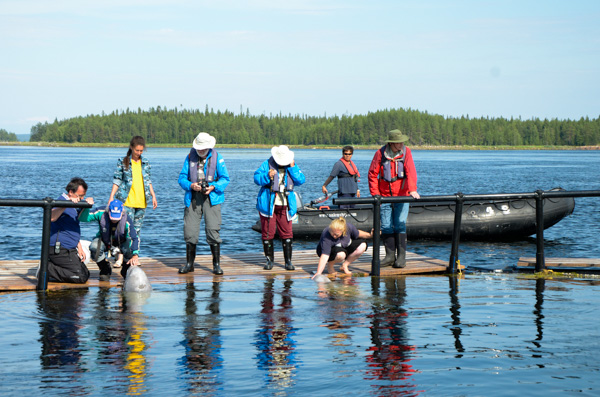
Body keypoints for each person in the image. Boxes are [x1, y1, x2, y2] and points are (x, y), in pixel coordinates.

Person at [178, 132, 230, 275]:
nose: (200, 151)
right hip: (193, 198)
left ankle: (216, 265)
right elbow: (181, 178)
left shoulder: (217, 158)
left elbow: (225, 179)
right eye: (199, 148)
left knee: (213, 230)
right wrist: (191, 185)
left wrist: (213, 187)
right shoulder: (189, 157)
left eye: (203, 148)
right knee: (190, 231)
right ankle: (189, 264)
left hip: (212, 197)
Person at [368, 129, 420, 268]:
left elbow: (411, 171)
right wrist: (375, 194)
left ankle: (401, 257)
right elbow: (372, 174)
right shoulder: (380, 153)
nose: (401, 144)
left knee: (400, 224)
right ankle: (390, 256)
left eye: (402, 141)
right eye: (398, 142)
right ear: (391, 143)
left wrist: (412, 189)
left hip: (402, 195)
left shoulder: (406, 152)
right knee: (385, 226)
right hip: (384, 196)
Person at [108, 136, 157, 268]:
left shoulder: (145, 163)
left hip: (142, 201)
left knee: (137, 231)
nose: (139, 153)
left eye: (141, 151)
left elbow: (148, 181)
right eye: (137, 150)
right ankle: (120, 257)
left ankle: (135, 256)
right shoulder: (123, 162)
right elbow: (117, 180)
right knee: (124, 230)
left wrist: (153, 195)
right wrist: (111, 197)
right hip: (126, 201)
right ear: (131, 147)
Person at [254, 145, 306, 271]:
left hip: (286, 204)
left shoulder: (292, 165)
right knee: (268, 232)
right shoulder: (266, 164)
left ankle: (288, 261)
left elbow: (301, 180)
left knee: (287, 233)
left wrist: (293, 168)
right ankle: (269, 260)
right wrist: (267, 175)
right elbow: (256, 179)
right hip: (269, 204)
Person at [47, 177, 95, 283]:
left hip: (70, 248)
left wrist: (80, 248)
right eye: (80, 196)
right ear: (70, 192)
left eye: (83, 196)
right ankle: (46, 269)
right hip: (59, 249)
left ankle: (52, 268)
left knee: (85, 273)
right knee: (80, 277)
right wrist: (66, 204)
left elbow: (72, 227)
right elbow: (51, 217)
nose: (82, 198)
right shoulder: (61, 201)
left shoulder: (75, 205)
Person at [88, 199, 141, 281]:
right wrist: (86, 206)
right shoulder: (100, 212)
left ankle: (125, 270)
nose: (114, 220)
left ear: (121, 212)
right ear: (108, 211)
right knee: (94, 247)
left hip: (121, 242)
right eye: (112, 217)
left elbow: (134, 238)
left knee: (130, 248)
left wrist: (135, 255)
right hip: (105, 241)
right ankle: (105, 268)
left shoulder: (127, 220)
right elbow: (84, 217)